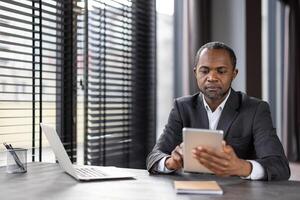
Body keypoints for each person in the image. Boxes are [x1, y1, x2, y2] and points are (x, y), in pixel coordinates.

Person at [146, 41, 290, 181]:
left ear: (234, 74)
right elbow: (154, 157)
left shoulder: (256, 110)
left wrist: (242, 167)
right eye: (205, 71)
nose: (212, 78)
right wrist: (171, 162)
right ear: (196, 73)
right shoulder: (182, 107)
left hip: (239, 194)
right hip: (192, 192)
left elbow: (280, 166)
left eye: (221, 71)